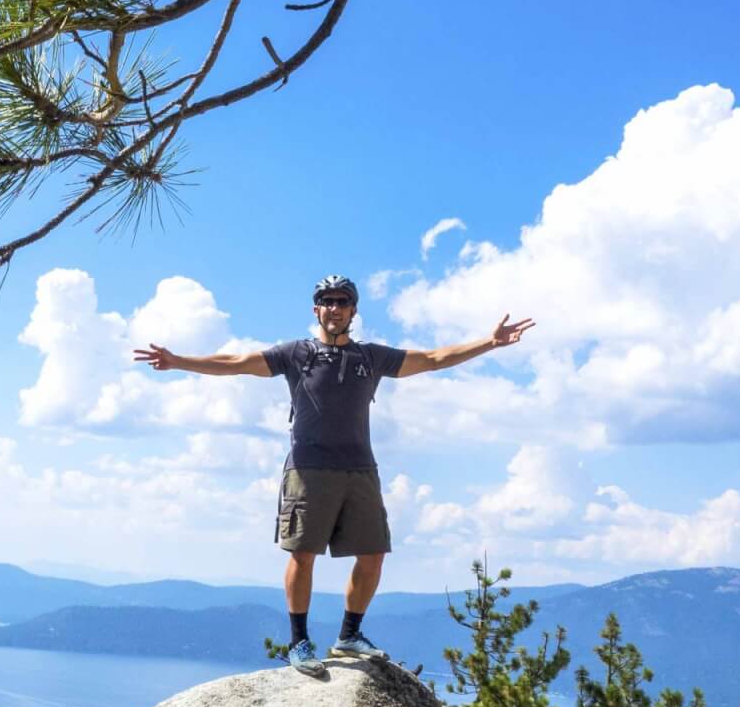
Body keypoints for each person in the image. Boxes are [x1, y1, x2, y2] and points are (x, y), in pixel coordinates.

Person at [133, 275, 533, 671]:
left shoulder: (370, 357)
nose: (335, 308)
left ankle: (348, 636)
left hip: (360, 469)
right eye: (327, 301)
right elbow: (236, 363)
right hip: (308, 470)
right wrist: (178, 361)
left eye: (342, 301)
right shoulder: (297, 354)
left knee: (373, 555)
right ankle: (299, 642)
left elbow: (431, 359)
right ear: (316, 309)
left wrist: (490, 341)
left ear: (353, 310)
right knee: (303, 555)